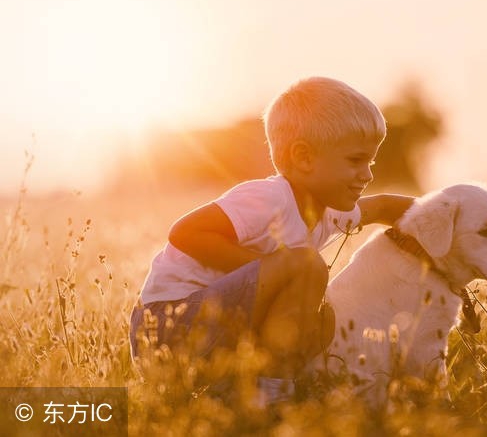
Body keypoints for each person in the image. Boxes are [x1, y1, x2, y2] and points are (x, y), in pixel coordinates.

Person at [128, 76, 414, 406]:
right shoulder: (268, 199)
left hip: (214, 332)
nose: (368, 174)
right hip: (166, 328)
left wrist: (446, 214)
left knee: (323, 321)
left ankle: (246, 393)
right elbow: (185, 232)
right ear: (304, 158)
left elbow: (382, 207)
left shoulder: (330, 210)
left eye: (371, 162)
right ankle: (272, 399)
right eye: (355, 160)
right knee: (305, 266)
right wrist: (270, 269)